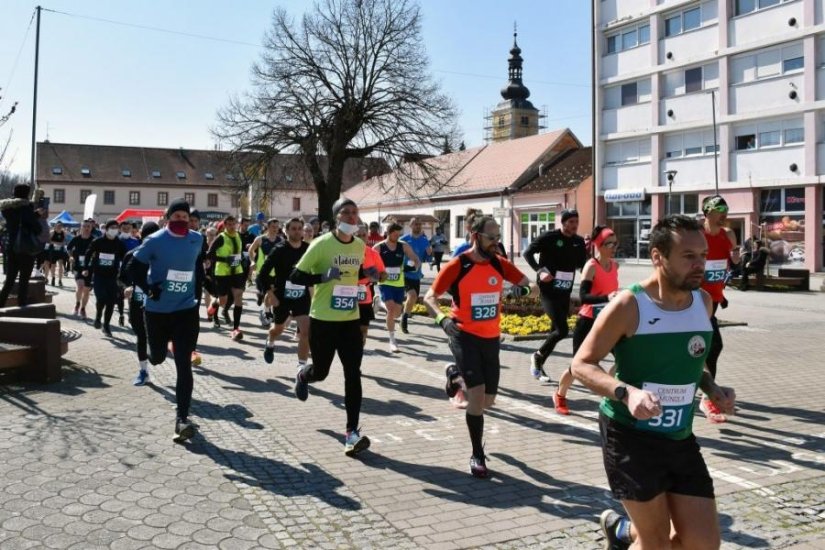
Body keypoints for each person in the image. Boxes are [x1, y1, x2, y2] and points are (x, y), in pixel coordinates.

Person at [571, 215, 736, 550]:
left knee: (703, 544)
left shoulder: (703, 302)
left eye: (703, 255)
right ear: (658, 257)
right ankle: (632, 535)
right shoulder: (630, 305)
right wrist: (627, 392)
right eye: (689, 256)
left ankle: (622, 533)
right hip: (630, 437)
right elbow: (581, 364)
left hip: (679, 438)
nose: (700, 264)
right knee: (656, 542)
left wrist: (712, 389)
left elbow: (691, 363)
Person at [423, 215, 530, 478]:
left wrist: (521, 292)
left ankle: (454, 376)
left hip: (491, 338)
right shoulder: (458, 265)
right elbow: (430, 297)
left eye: (498, 238)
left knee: (488, 401)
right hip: (463, 334)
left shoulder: (499, 264)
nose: (496, 242)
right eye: (491, 237)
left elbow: (530, 286)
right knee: (478, 396)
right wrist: (443, 319)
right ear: (475, 237)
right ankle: (477, 455)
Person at [290, 197, 381, 457]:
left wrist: (373, 275)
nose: (353, 217)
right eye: (346, 213)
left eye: (355, 212)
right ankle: (304, 375)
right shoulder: (321, 244)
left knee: (353, 373)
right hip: (323, 320)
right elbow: (296, 276)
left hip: (350, 320)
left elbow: (360, 272)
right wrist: (322, 277)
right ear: (336, 217)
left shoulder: (360, 245)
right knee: (322, 373)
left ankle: (352, 432)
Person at [128, 199, 204, 442]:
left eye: (185, 216)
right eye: (177, 216)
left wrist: (200, 294)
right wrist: (149, 288)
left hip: (186, 310)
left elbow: (196, 269)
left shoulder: (197, 239)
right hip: (157, 311)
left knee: (184, 365)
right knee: (158, 358)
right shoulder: (155, 240)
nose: (182, 220)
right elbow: (133, 269)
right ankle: (152, 350)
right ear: (167, 217)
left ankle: (182, 419)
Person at [553, 226, 620, 415]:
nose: (614, 247)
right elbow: (583, 297)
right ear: (599, 245)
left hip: (608, 321)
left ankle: (607, 390)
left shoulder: (615, 266)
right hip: (588, 320)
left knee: (624, 359)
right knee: (578, 365)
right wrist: (608, 298)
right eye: (609, 243)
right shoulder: (591, 266)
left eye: (616, 243)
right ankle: (559, 395)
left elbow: (613, 293)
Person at [522, 209, 587, 383]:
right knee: (562, 330)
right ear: (563, 222)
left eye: (576, 222)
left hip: (564, 292)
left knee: (554, 332)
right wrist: (540, 270)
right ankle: (537, 356)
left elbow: (583, 265)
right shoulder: (549, 237)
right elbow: (527, 253)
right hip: (548, 291)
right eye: (571, 222)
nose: (574, 226)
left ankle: (539, 364)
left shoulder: (579, 242)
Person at [699, 195, 737, 424]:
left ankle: (705, 389)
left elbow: (729, 265)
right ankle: (707, 394)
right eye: (720, 208)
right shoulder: (698, 236)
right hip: (697, 298)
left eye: (726, 208)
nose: (725, 213)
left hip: (714, 298)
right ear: (708, 211)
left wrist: (736, 260)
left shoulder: (729, 235)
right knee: (712, 344)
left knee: (709, 345)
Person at [257, 218, 311, 369]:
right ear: (286, 231)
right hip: (282, 296)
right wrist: (270, 293)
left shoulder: (308, 249)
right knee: (278, 329)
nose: (297, 231)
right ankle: (270, 341)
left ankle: (301, 369)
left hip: (301, 295)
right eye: (293, 228)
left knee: (306, 331)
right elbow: (262, 274)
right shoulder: (279, 249)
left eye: (299, 228)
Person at [119, 221, 159, 386]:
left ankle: (156, 353)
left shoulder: (162, 256)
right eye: (148, 237)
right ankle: (144, 371)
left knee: (156, 337)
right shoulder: (132, 255)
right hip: (137, 301)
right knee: (141, 336)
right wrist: (126, 287)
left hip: (157, 302)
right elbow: (120, 278)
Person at [374, 222, 420, 353]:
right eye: (395, 234)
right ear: (389, 233)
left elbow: (415, 258)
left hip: (398, 283)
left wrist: (416, 264)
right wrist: (375, 273)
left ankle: (378, 302)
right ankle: (392, 340)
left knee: (397, 312)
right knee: (391, 309)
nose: (397, 237)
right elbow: (369, 261)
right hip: (385, 282)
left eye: (399, 234)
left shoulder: (403, 246)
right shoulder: (379, 247)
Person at [0, 184, 46, 308]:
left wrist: (33, 214)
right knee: (24, 280)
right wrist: (37, 215)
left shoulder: (6, 209)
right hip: (26, 249)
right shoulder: (26, 209)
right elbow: (36, 228)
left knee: (9, 280)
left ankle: (1, 304)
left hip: (11, 247)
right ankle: (22, 306)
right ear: (26, 194)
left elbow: (19, 222)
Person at [83, 219, 127, 337]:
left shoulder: (119, 243)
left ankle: (106, 325)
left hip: (113, 276)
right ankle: (98, 317)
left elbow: (125, 257)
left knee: (111, 302)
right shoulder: (98, 241)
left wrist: (125, 271)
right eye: (112, 228)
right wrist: (86, 267)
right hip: (99, 275)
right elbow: (88, 253)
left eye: (116, 228)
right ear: (106, 229)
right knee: (101, 298)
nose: (114, 230)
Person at [206, 215, 247, 340]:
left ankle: (235, 328)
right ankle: (214, 304)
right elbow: (209, 254)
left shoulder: (239, 236)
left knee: (238, 296)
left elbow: (239, 253)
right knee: (223, 301)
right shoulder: (220, 237)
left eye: (233, 223)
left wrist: (241, 260)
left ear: (236, 224)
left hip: (237, 271)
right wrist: (225, 260)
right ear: (224, 225)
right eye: (229, 224)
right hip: (222, 272)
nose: (232, 226)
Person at [399, 217, 432, 335]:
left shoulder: (424, 240)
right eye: (416, 224)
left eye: (420, 224)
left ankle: (404, 313)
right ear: (411, 225)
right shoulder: (403, 239)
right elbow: (396, 253)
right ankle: (404, 320)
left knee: (413, 298)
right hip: (405, 273)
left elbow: (427, 257)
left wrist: (430, 256)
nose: (418, 226)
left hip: (416, 274)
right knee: (412, 296)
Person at [355, 223, 386, 345]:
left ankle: (358, 351)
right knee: (350, 330)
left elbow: (383, 275)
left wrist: (377, 276)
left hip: (365, 296)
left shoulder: (373, 253)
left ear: (367, 236)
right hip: (347, 295)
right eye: (358, 235)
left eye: (364, 235)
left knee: (363, 329)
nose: (361, 238)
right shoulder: (346, 252)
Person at [248, 218, 282, 326]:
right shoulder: (260, 239)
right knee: (267, 293)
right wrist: (253, 261)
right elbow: (251, 250)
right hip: (263, 272)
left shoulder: (281, 240)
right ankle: (266, 311)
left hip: (275, 273)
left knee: (270, 293)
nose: (275, 229)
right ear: (268, 227)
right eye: (273, 227)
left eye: (277, 227)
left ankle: (266, 312)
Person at [67, 219, 95, 318]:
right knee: (80, 286)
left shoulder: (94, 240)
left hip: (89, 267)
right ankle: (77, 304)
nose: (86, 228)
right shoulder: (76, 239)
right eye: (84, 226)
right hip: (78, 266)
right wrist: (70, 256)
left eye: (88, 226)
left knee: (86, 290)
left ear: (91, 228)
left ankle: (83, 309)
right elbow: (69, 248)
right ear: (81, 227)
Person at [44, 221, 69, 287]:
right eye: (57, 226)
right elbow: (47, 240)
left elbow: (65, 241)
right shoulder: (52, 232)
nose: (59, 227)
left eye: (60, 226)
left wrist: (63, 243)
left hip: (60, 250)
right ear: (55, 227)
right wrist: (56, 243)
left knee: (61, 264)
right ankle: (53, 278)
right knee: (53, 265)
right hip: (52, 250)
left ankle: (60, 280)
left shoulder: (63, 233)